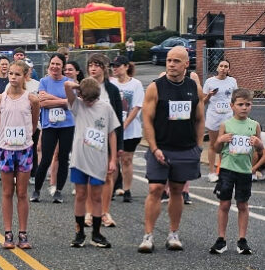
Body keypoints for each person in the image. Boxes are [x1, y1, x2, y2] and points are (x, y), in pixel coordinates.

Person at [138, 46, 203, 253]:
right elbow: (146, 119)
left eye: (176, 61)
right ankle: (148, 236)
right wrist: (154, 147)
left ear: (186, 64)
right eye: (168, 60)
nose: (171, 64)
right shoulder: (156, 87)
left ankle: (173, 233)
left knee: (177, 190)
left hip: (184, 148)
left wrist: (199, 145)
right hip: (161, 147)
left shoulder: (193, 87)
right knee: (155, 189)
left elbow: (200, 118)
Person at [63, 77, 120, 249]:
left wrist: (113, 159)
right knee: (80, 195)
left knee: (96, 196)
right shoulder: (77, 105)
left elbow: (111, 133)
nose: (88, 103)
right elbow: (67, 85)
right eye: (85, 99)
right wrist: (79, 87)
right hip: (79, 159)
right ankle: (79, 232)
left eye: (91, 100)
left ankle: (96, 233)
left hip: (98, 159)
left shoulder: (105, 107)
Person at [0, 60, 39, 249]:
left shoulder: (32, 99)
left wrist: (26, 137)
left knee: (21, 192)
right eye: (11, 73)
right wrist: (8, 137)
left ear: (25, 76)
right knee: (7, 192)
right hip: (6, 148)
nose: (13, 77)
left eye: (17, 74)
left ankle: (22, 232)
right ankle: (7, 233)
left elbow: (35, 123)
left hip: (24, 149)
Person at [210, 88, 262, 255]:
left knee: (242, 204)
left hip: (244, 171)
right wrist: (220, 139)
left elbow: (261, 149)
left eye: (248, 104)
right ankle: (221, 239)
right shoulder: (226, 125)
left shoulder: (255, 126)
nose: (244, 107)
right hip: (227, 169)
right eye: (240, 104)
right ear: (232, 106)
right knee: (224, 204)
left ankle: (242, 240)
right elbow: (217, 149)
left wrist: (257, 143)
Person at [84, 54, 124, 228]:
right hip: (87, 137)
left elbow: (117, 120)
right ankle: (89, 212)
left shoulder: (112, 90)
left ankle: (105, 212)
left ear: (104, 68)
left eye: (97, 65)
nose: (93, 68)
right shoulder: (83, 87)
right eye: (91, 65)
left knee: (108, 176)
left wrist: (119, 146)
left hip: (107, 137)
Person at [31, 54, 74, 204]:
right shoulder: (43, 81)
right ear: (49, 65)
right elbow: (41, 103)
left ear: (63, 66)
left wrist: (51, 98)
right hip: (50, 126)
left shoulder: (69, 82)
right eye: (53, 63)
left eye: (58, 64)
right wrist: (62, 101)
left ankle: (58, 191)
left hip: (67, 125)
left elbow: (72, 104)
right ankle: (36, 190)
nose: (55, 66)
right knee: (46, 159)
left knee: (63, 159)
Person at [111, 56, 144, 202]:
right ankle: (111, 188)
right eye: (113, 66)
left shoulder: (136, 84)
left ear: (126, 67)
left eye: (117, 65)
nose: (114, 68)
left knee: (127, 160)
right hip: (113, 128)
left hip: (131, 130)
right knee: (113, 159)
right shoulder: (111, 83)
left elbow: (136, 107)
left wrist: (124, 126)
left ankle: (127, 189)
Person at [204, 58, 238, 183]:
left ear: (229, 69)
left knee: (225, 146)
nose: (223, 68)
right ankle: (211, 172)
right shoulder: (209, 81)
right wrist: (209, 95)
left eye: (226, 66)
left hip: (228, 117)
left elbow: (235, 99)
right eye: (221, 66)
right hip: (214, 116)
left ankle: (223, 170)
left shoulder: (232, 81)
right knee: (213, 144)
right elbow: (203, 102)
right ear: (217, 68)